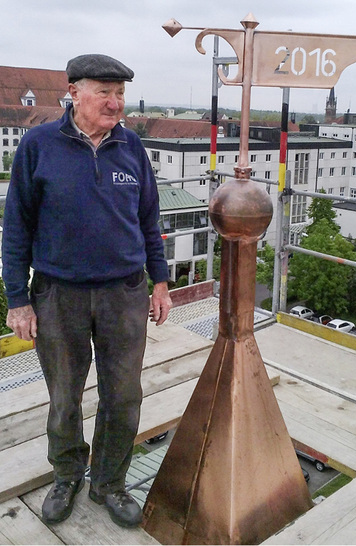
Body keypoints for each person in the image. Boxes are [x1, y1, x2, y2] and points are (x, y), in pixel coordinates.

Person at [2, 54, 172, 528]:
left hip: (124, 293)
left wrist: (159, 282)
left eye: (120, 93)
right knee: (64, 395)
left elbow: (147, 220)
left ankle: (109, 483)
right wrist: (17, 297)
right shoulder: (39, 145)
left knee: (124, 395)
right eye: (104, 91)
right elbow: (16, 226)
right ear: (74, 92)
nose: (115, 102)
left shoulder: (131, 147)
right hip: (59, 295)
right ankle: (67, 474)